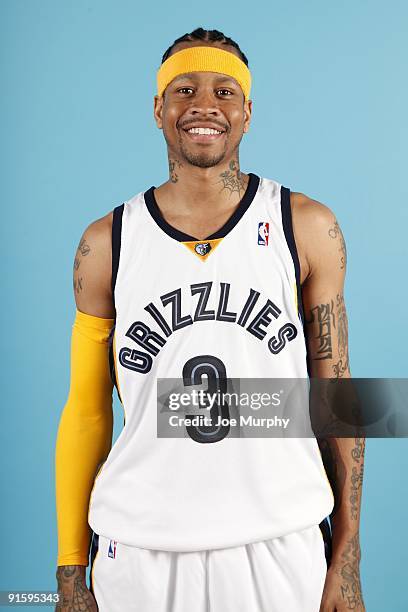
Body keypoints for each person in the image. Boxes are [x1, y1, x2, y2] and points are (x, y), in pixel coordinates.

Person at [55, 27, 366, 612]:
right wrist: (71, 569)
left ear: (248, 112)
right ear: (158, 109)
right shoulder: (107, 243)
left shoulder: (307, 226)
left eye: (225, 91)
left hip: (281, 536)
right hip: (140, 545)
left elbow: (338, 394)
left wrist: (347, 558)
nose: (204, 105)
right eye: (184, 90)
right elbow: (86, 410)